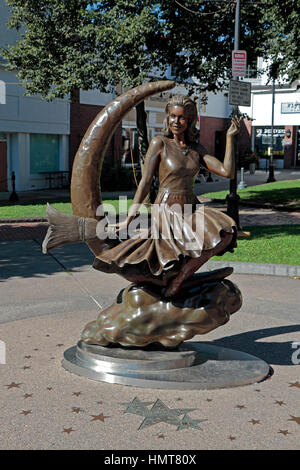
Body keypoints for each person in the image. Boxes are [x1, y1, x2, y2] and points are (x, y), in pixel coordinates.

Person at [92, 95, 240, 296]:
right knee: (174, 254)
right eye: (172, 116)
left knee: (226, 232)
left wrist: (230, 138)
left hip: (191, 207)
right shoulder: (159, 143)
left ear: (190, 121)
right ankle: (172, 282)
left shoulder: (196, 149)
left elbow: (227, 171)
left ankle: (181, 278)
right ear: (167, 117)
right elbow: (144, 183)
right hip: (167, 210)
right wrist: (129, 218)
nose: (176, 122)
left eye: (181, 118)